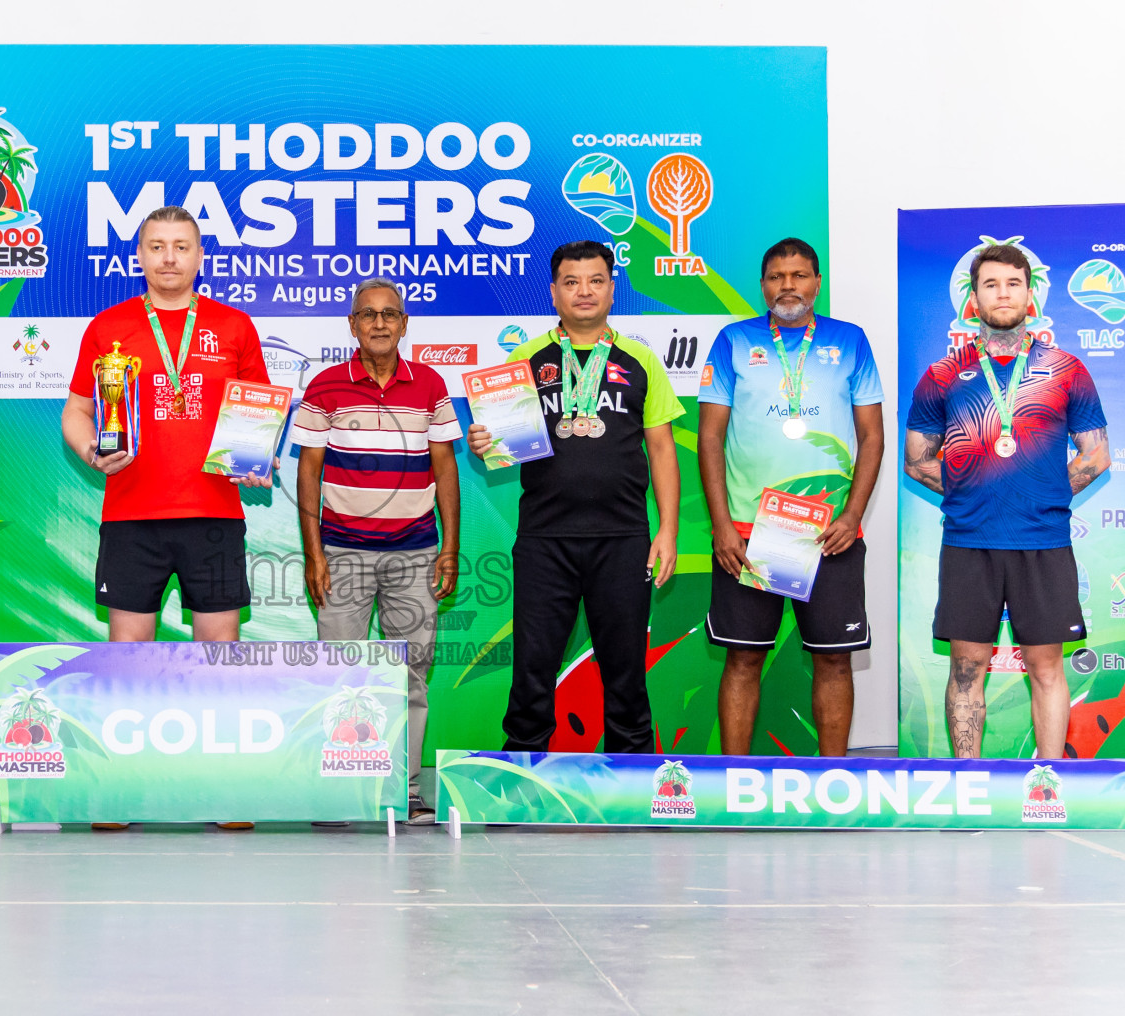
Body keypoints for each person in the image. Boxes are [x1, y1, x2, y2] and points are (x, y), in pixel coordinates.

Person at [61, 206, 272, 829]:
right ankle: (119, 789)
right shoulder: (110, 326)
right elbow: (75, 412)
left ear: (200, 256)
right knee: (129, 655)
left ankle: (223, 792)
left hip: (213, 513)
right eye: (157, 246)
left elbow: (257, 413)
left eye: (181, 246)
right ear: (141, 256)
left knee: (219, 657)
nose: (169, 257)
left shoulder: (233, 327)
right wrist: (89, 449)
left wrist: (256, 457)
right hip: (131, 515)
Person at [467, 240, 682, 753]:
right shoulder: (526, 357)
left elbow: (661, 448)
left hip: (623, 539)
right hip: (545, 539)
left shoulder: (640, 358)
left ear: (612, 288)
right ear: (554, 292)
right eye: (571, 282)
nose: (584, 291)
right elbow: (501, 445)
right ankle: (520, 774)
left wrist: (668, 531)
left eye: (595, 281)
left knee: (627, 670)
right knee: (532, 670)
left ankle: (630, 779)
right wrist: (483, 443)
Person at [905, 243, 1109, 758]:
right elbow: (916, 460)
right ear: (973, 298)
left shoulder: (1067, 370)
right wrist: (969, 491)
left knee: (1045, 667)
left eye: (1013, 283)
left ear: (1030, 295)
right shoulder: (942, 376)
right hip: (970, 541)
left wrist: (1045, 496)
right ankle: (968, 780)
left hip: (1042, 539)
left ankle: (1049, 778)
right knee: (966, 668)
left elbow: (1096, 456)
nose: (1002, 293)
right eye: (991, 284)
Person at [697, 238, 884, 757]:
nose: (788, 286)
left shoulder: (851, 342)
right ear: (763, 285)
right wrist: (722, 525)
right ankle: (734, 783)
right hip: (750, 532)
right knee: (743, 659)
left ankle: (832, 779)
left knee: (833, 658)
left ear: (817, 282)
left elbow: (873, 436)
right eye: (777, 277)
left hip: (829, 534)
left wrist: (852, 515)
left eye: (799, 275)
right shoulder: (733, 340)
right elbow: (710, 437)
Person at [293, 277, 462, 825]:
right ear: (353, 325)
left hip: (415, 553)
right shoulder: (324, 387)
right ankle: (340, 793)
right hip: (341, 553)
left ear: (405, 323)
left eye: (390, 313)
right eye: (369, 314)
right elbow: (309, 471)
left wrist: (449, 548)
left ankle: (407, 792)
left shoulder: (430, 385)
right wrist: (314, 554)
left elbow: (445, 468)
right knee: (340, 676)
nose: (381, 322)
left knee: (410, 676)